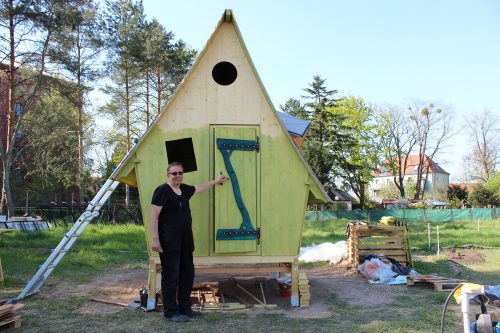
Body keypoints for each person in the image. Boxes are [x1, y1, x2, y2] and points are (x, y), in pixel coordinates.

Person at [151, 162, 227, 322]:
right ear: (168, 175)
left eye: (180, 173)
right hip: (169, 240)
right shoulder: (162, 190)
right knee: (171, 275)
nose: (177, 175)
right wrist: (155, 239)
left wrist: (215, 181)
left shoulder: (184, 189)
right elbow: (154, 216)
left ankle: (185, 308)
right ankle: (170, 312)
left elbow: (198, 187)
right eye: (174, 173)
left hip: (185, 240)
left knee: (187, 274)